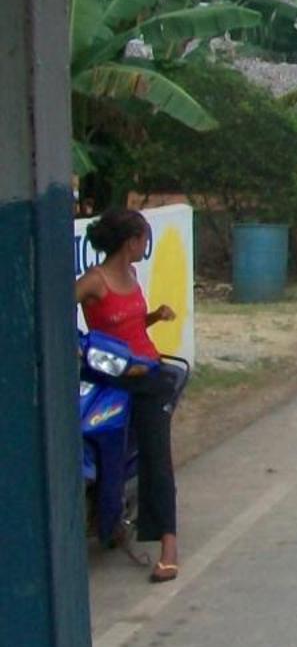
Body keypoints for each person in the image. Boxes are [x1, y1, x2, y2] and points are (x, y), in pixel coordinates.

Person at [74, 208, 182, 583]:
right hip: (108, 376)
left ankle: (168, 546)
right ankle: (104, 516)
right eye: (143, 241)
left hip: (146, 373)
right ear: (129, 241)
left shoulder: (132, 276)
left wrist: (154, 317)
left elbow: (130, 325)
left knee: (158, 459)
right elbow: (55, 314)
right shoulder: (93, 281)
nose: (144, 247)